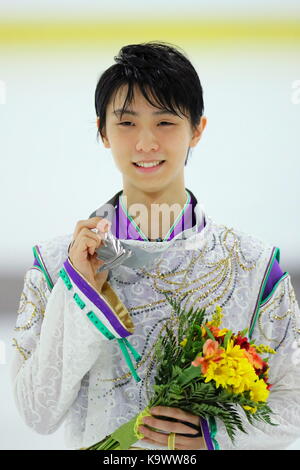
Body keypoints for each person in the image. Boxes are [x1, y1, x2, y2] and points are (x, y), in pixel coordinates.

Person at [11, 41, 300, 451]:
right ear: (102, 132)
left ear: (197, 129)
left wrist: (215, 437)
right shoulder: (57, 263)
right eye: (127, 124)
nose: (145, 143)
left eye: (165, 122)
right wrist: (78, 291)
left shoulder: (252, 267)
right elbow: (36, 414)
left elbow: (293, 402)